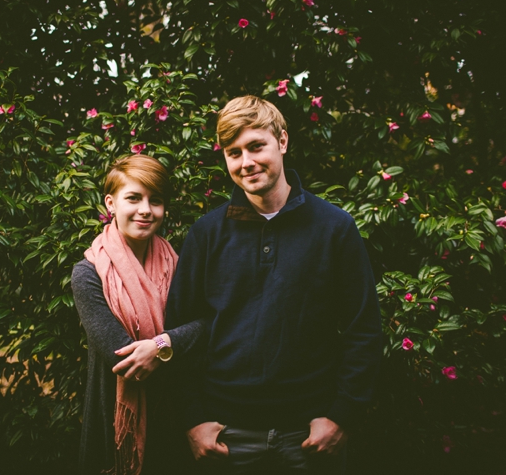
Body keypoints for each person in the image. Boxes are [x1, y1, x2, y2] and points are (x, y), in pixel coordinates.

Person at [165, 96, 382, 474]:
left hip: (310, 436)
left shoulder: (334, 228)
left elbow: (363, 328)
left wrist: (341, 416)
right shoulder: (206, 234)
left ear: (282, 141)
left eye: (255, 146)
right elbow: (180, 330)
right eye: (234, 153)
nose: (246, 162)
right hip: (226, 437)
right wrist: (193, 420)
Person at [72, 155, 203, 475]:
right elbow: (122, 356)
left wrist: (161, 344)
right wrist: (177, 347)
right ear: (111, 203)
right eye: (134, 198)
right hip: (115, 425)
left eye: (155, 200)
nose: (146, 209)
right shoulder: (88, 274)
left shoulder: (179, 265)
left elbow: (209, 325)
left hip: (179, 420)